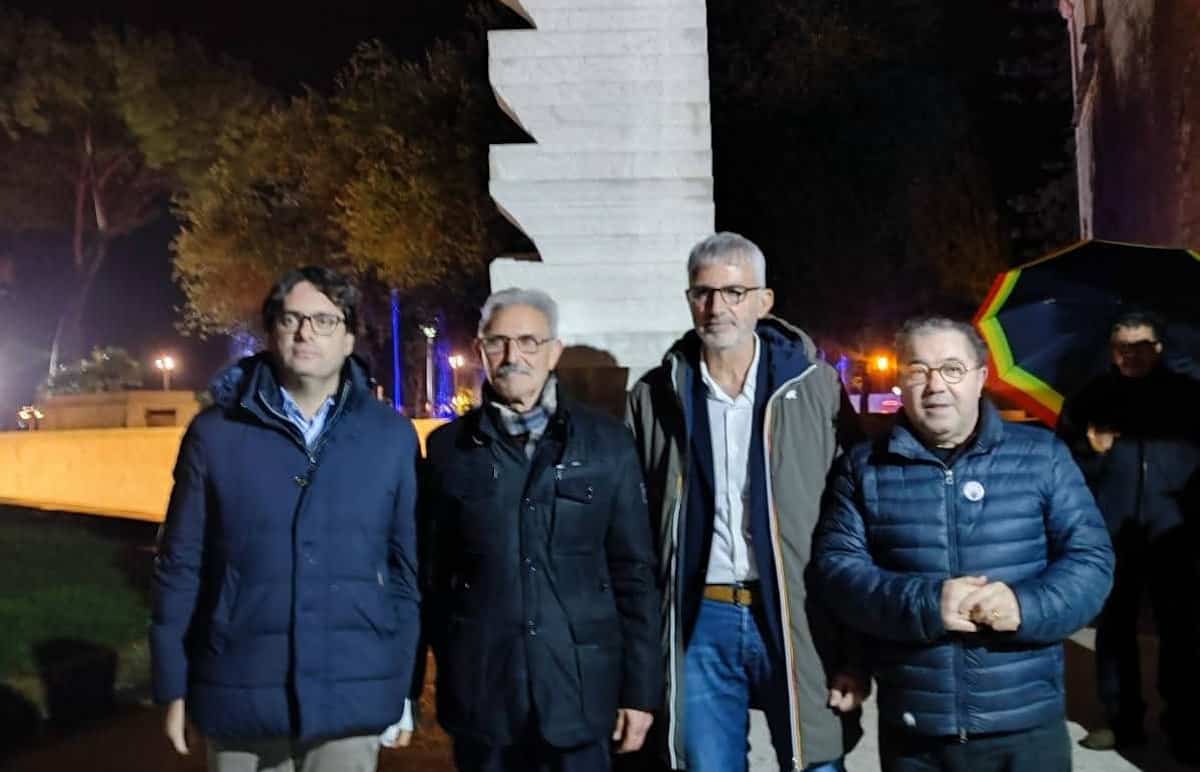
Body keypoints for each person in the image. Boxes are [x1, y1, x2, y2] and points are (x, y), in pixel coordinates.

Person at [813, 316, 1114, 772]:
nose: (935, 385)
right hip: (916, 733)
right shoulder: (864, 468)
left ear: (979, 377)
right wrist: (926, 603)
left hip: (1027, 727)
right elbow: (838, 571)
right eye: (918, 370)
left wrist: (1025, 605)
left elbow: (1091, 561)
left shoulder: (1042, 456)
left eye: (952, 369)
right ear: (900, 381)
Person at [151, 266, 421, 772]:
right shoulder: (215, 433)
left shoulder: (392, 437)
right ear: (272, 331)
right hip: (237, 686)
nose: (305, 333)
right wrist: (173, 684)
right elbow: (181, 564)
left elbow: (406, 572)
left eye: (324, 320)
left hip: (353, 693)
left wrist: (403, 687)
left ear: (348, 338)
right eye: (292, 319)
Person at [626, 232, 865, 772]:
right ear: (689, 299)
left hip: (798, 612)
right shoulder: (655, 396)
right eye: (703, 293)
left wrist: (855, 652)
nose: (718, 307)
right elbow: (633, 531)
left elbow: (855, 520)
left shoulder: (816, 389)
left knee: (815, 761)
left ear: (764, 300)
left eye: (735, 292)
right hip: (700, 619)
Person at [419, 288, 661, 772]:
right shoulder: (448, 450)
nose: (514, 356)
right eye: (499, 342)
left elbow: (634, 573)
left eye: (529, 341)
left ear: (554, 351)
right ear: (481, 349)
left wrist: (640, 691)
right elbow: (432, 577)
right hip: (484, 697)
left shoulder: (607, 445)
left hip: (581, 693)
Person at [1057, 310, 1200, 761]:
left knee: (1181, 631)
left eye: (1141, 346)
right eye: (1123, 347)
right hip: (1111, 532)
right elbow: (1062, 465)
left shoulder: (1188, 395)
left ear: (1158, 347)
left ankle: (1184, 725)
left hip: (1174, 533)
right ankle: (1121, 721)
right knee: (1115, 630)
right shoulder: (1091, 397)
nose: (1132, 355)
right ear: (1112, 350)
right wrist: (1090, 449)